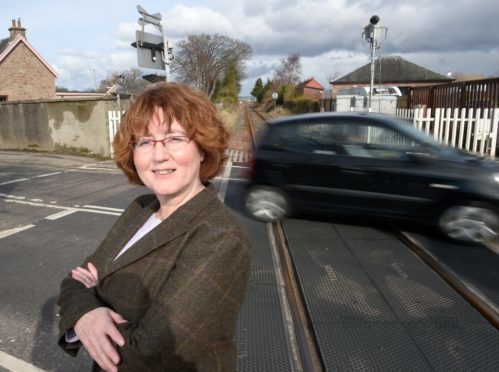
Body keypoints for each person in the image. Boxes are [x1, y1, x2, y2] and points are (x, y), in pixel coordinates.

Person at [57, 83, 251, 372]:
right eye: (145, 141)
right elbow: (74, 280)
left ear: (202, 149)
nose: (159, 155)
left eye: (174, 138)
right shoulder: (140, 208)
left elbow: (148, 354)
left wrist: (87, 307)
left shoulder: (220, 236)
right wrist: (87, 313)